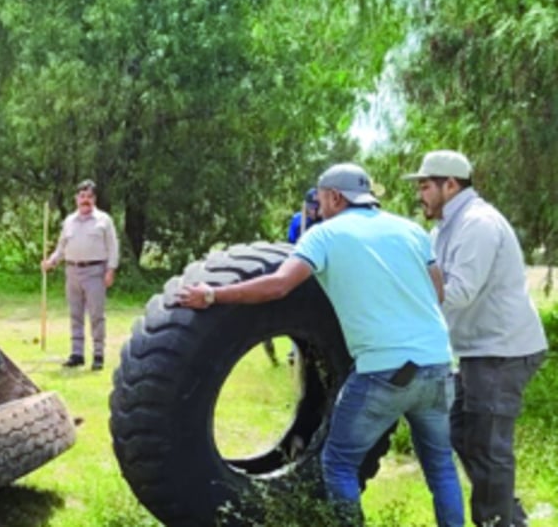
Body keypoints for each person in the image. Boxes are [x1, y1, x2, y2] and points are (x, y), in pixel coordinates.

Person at [177, 163, 464, 527]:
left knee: (338, 463)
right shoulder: (412, 231)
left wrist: (213, 294)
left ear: (334, 197)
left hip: (385, 371)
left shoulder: (326, 235)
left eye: (320, 199)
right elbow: (436, 293)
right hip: (439, 365)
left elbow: (279, 285)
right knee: (440, 467)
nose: (318, 207)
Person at [405, 150, 548, 527]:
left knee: (488, 447)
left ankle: (497, 522)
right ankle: (509, 517)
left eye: (424, 185)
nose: (419, 194)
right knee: (461, 436)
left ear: (449, 185)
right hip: (476, 351)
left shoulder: (478, 224)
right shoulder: (444, 228)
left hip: (502, 351)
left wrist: (408, 305)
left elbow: (459, 292)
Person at [42, 179, 119, 371]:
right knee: (75, 314)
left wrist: (111, 269)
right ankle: (77, 354)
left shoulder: (104, 220)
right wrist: (51, 261)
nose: (86, 200)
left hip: (95, 271)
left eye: (89, 197)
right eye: (82, 196)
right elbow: (61, 247)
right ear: (77, 198)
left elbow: (113, 247)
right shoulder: (69, 221)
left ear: (95, 199)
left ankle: (98, 354)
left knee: (96, 315)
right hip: (72, 271)